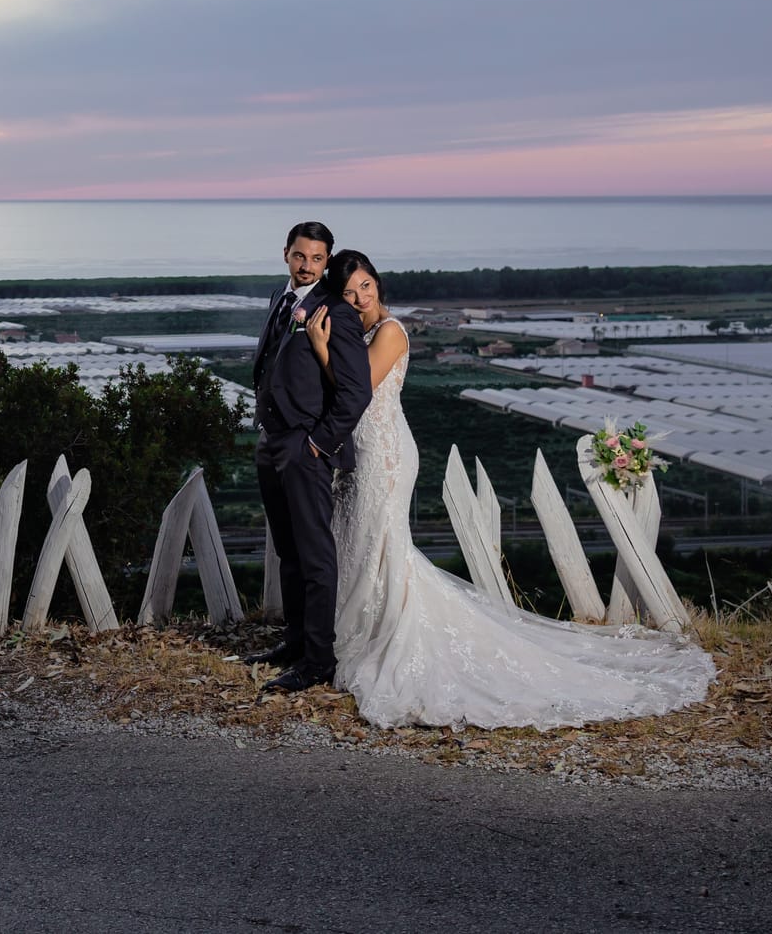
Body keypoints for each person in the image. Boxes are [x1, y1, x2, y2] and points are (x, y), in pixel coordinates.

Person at [301, 249, 715, 728]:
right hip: (363, 452)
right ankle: (356, 628)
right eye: (349, 293)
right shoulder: (363, 330)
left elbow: (361, 387)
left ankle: (393, 632)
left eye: (366, 286)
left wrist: (321, 348)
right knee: (360, 542)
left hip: (388, 455)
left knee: (385, 544)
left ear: (379, 284)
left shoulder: (391, 331)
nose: (359, 298)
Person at [242, 221, 372, 692]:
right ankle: (295, 643)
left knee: (316, 556)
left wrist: (319, 443)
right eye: (301, 256)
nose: (308, 266)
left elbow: (357, 392)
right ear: (286, 254)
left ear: (326, 260)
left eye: (318, 259)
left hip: (305, 446)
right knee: (288, 551)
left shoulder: (334, 310)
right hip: (271, 442)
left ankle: (319, 660)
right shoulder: (281, 301)